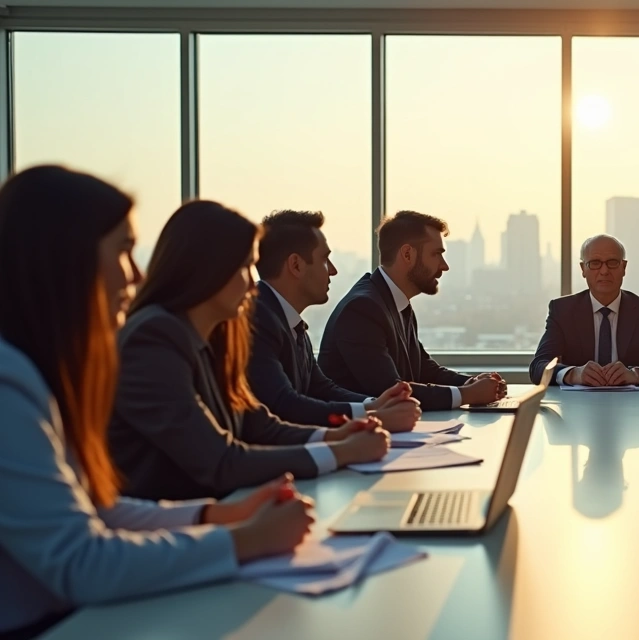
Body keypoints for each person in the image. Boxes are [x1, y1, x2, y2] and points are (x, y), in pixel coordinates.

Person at [0, 167, 314, 639]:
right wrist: (244, 541)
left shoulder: (36, 368)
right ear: (68, 259)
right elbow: (81, 563)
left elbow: (97, 510)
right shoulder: (8, 382)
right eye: (124, 251)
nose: (136, 274)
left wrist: (215, 516)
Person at [109, 201, 390, 501]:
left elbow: (258, 425)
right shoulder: (154, 337)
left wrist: (335, 435)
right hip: (177, 520)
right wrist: (340, 452)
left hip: (223, 509)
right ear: (210, 269)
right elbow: (220, 461)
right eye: (245, 267)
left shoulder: (217, 333)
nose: (254, 286)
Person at [247, 209, 420, 431]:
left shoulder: (288, 320)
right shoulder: (258, 320)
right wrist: (374, 416)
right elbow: (284, 405)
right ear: (296, 265)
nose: (333, 270)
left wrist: (374, 404)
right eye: (324, 259)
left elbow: (321, 389)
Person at [318, 210, 506, 411]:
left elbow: (423, 368)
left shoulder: (395, 301)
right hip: (358, 428)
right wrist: (467, 394)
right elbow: (389, 389)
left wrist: (472, 383)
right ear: (407, 254)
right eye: (436, 254)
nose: (444, 266)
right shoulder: (362, 308)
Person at [529, 234, 639, 386]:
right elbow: (539, 366)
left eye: (612, 263)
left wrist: (636, 375)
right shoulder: (563, 311)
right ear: (583, 269)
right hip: (577, 401)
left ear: (624, 267)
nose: (604, 271)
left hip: (632, 400)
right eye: (595, 263)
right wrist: (573, 374)